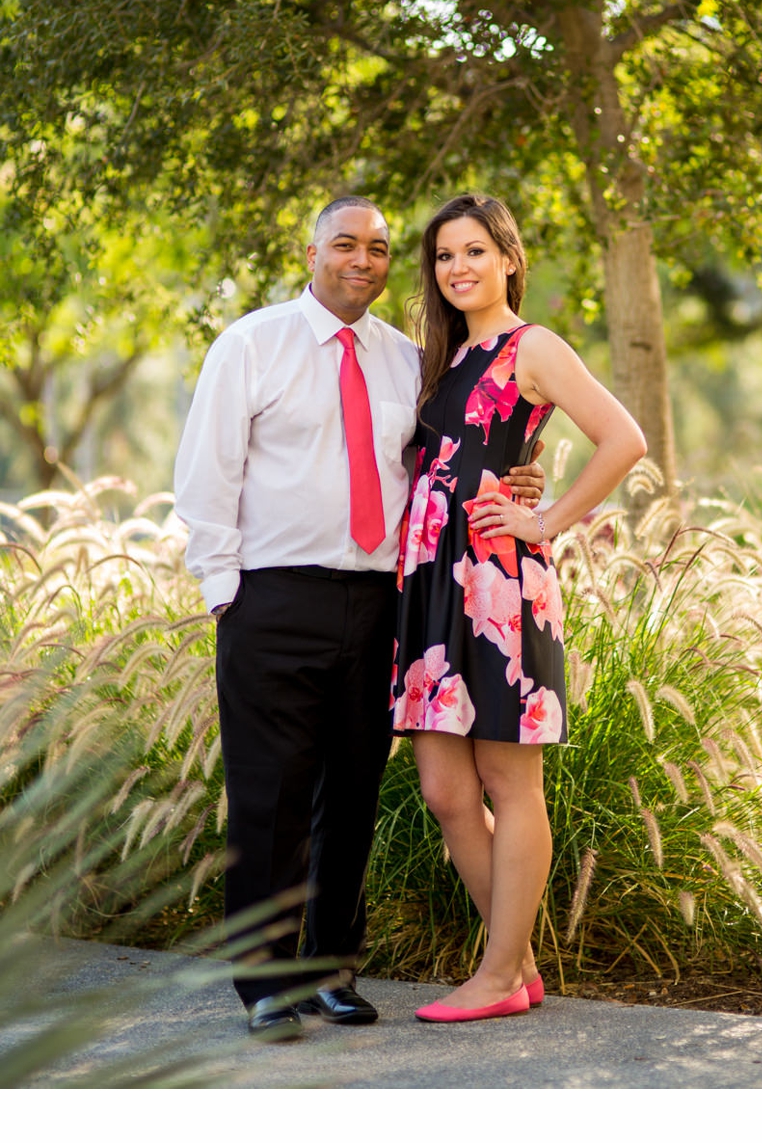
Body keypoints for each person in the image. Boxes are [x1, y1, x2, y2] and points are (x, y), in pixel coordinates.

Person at [173, 197, 544, 1040]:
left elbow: (464, 446)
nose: (363, 260)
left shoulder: (413, 361)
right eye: (345, 244)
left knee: (351, 793)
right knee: (269, 795)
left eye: (378, 248)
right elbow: (204, 474)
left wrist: (526, 478)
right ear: (312, 252)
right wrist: (224, 591)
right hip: (272, 596)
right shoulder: (251, 345)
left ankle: (334, 969)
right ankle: (267, 982)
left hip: (382, 601)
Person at [391, 194, 647, 1022]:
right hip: (431, 585)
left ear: (508, 256)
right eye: (443, 257)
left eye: (474, 251)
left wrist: (543, 519)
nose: (457, 267)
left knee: (507, 779)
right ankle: (520, 963)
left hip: (498, 584)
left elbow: (624, 439)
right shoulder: (446, 357)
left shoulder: (530, 346)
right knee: (444, 789)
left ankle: (498, 976)